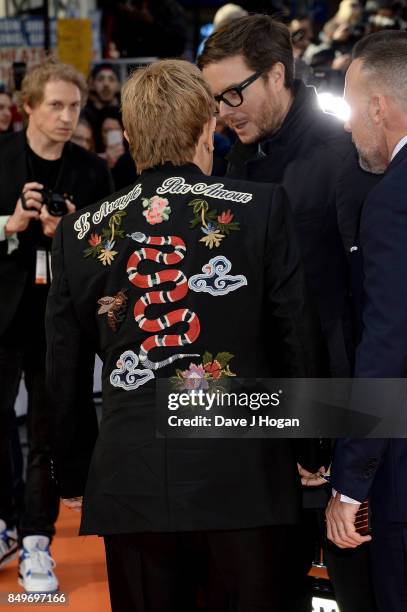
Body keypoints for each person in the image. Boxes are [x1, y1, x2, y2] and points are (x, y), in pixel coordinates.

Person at [46, 58, 323, 612]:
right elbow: (296, 335)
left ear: (128, 137)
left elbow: (64, 368)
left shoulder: (79, 233)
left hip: (132, 478)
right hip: (244, 476)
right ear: (206, 129)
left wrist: (73, 470)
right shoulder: (261, 207)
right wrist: (311, 449)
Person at [198, 15, 379, 611]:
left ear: (277, 74)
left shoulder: (343, 155)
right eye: (214, 99)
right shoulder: (235, 161)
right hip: (265, 414)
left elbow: (364, 305)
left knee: (353, 581)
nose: (224, 111)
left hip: (337, 412)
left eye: (233, 93)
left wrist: (345, 437)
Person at [0, 59, 113, 593]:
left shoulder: (92, 172)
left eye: (75, 106)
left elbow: (110, 252)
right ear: (28, 107)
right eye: (57, 106)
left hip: (58, 321)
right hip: (3, 314)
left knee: (48, 432)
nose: (68, 116)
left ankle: (37, 539)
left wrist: (66, 232)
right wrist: (12, 224)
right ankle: (5, 523)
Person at [326, 30, 407, 612]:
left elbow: (386, 348)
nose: (350, 126)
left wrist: (351, 482)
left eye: (353, 109)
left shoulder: (392, 202)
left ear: (378, 106)